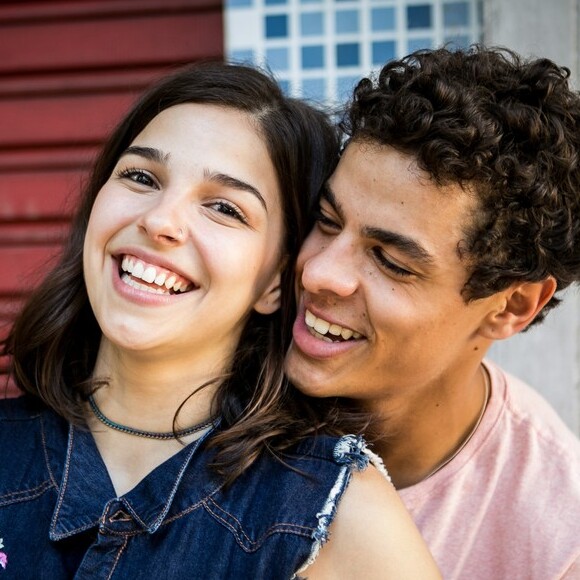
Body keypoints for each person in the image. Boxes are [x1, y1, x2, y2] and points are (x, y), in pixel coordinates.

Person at [0, 62, 441, 579]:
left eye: (225, 209)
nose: (161, 220)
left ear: (276, 280)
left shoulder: (339, 519)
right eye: (141, 177)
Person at [285, 45, 580, 579]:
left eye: (392, 261)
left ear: (512, 306)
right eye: (327, 220)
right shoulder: (220, 379)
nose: (319, 273)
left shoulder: (558, 543)